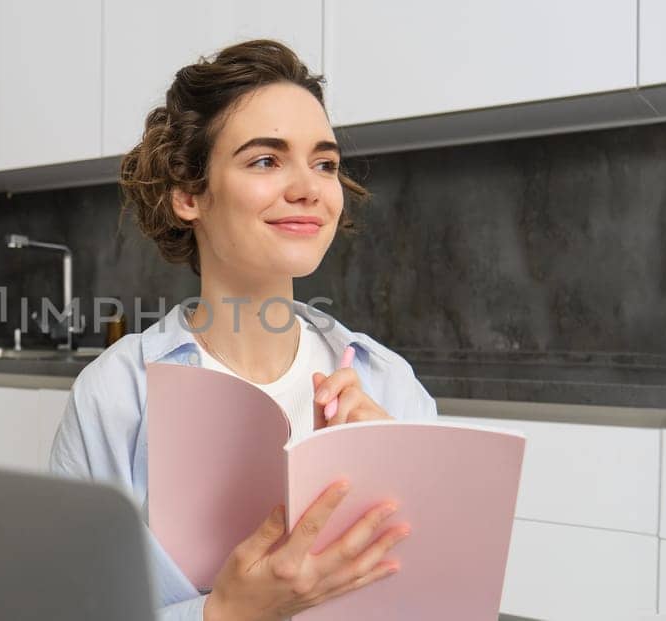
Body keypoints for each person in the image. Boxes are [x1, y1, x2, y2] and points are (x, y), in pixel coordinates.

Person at [48, 39, 440, 621]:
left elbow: (435, 600)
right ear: (188, 194)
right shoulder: (118, 394)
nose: (310, 187)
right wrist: (222, 615)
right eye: (265, 160)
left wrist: (399, 470)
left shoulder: (388, 385)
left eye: (325, 163)